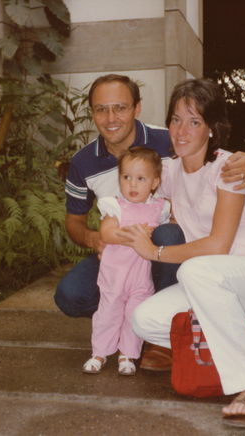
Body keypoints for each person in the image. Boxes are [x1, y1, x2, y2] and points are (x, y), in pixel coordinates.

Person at [120, 78, 245, 428]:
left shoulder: (231, 168)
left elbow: (218, 245)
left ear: (212, 128)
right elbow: (131, 169)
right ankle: (243, 337)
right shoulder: (169, 171)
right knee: (144, 319)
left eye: (194, 121)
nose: (182, 131)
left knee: (196, 269)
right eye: (176, 119)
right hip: (223, 286)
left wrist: (154, 251)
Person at [55, 73, 245, 370]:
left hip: (166, 248)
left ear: (137, 108)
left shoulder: (167, 139)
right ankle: (125, 320)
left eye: (121, 107)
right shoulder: (82, 162)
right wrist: (94, 239)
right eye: (101, 109)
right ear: (92, 113)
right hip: (119, 252)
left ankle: (161, 337)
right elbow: (74, 222)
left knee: (168, 232)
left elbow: (214, 152)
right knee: (69, 295)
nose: (111, 117)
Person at [82, 147, 170, 376]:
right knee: (109, 311)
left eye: (141, 179)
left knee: (134, 312)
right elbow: (107, 234)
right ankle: (99, 352)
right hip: (115, 274)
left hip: (141, 275)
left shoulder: (160, 208)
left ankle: (127, 354)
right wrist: (136, 234)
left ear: (154, 182)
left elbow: (171, 231)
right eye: (126, 177)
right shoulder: (115, 206)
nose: (132, 185)